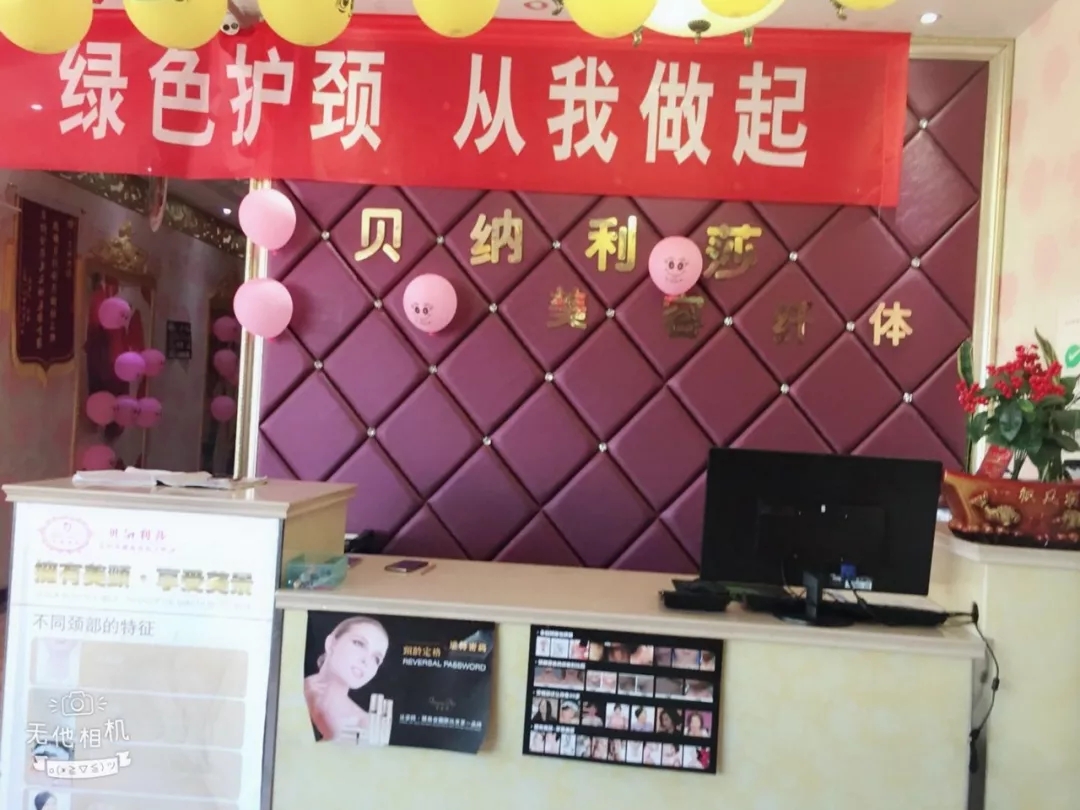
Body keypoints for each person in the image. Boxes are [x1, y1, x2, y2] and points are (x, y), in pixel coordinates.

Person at [304, 616, 389, 743]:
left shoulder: (365, 725)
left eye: (376, 658)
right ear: (331, 643)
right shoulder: (289, 686)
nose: (366, 661)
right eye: (359, 644)